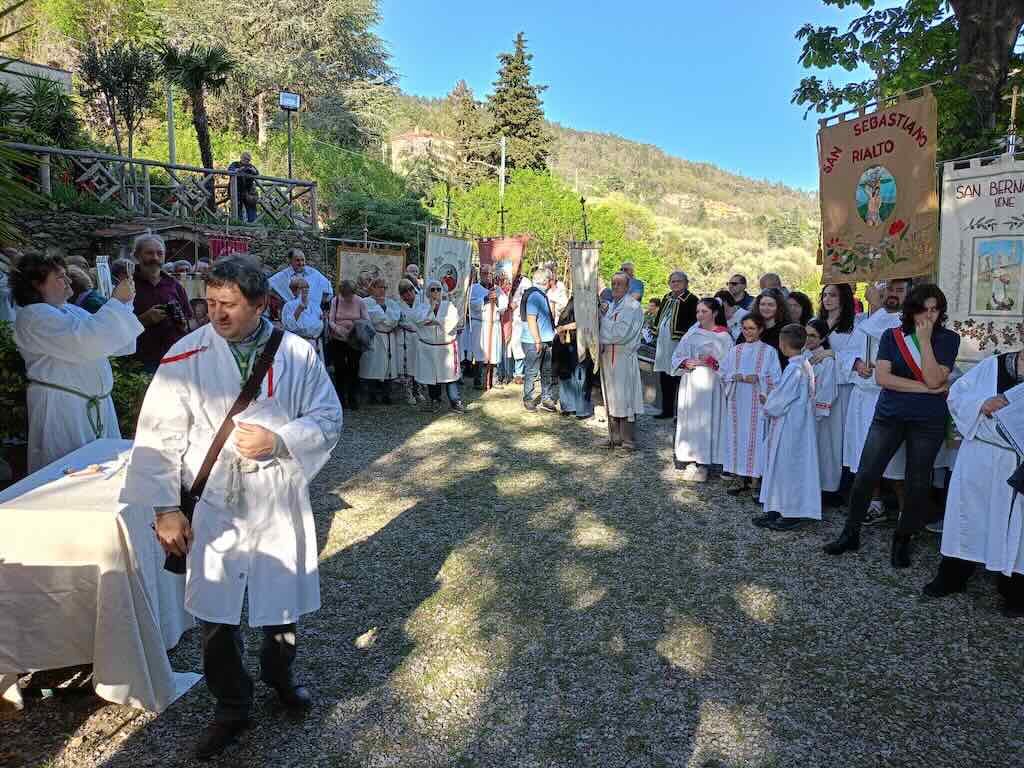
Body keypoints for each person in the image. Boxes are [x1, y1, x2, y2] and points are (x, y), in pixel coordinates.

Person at [121, 257, 341, 759]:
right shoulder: (187, 355)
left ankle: (280, 675)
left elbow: (328, 418)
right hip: (215, 499)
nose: (216, 314)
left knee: (279, 593)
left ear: (261, 304)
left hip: (274, 493)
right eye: (211, 303)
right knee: (215, 607)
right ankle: (230, 704)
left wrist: (281, 439)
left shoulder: (298, 355)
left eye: (229, 305)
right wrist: (164, 508)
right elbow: (157, 435)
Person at [825, 284, 960, 567]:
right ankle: (851, 531)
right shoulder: (891, 336)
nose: (930, 315)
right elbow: (883, 379)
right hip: (889, 414)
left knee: (917, 480)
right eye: (924, 308)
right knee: (866, 473)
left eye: (935, 309)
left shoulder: (948, 339)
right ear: (912, 309)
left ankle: (903, 538)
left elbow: (937, 378)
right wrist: (925, 388)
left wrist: (924, 341)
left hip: (927, 421)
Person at [11, 252, 143, 473]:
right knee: (66, 473)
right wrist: (117, 302)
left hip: (94, 405)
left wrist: (125, 304)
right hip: (62, 409)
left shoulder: (71, 310)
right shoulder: (33, 316)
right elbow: (84, 342)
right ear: (37, 285)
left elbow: (112, 343)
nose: (69, 281)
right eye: (60, 277)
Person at [922, 349, 1024, 616]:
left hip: (1016, 460)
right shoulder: (994, 365)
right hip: (979, 453)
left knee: (1015, 523)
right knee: (967, 514)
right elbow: (957, 395)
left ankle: (1014, 591)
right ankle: (954, 575)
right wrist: (982, 403)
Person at [841, 279, 910, 523]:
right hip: (863, 397)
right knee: (865, 453)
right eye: (888, 290)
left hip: (891, 396)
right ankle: (875, 502)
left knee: (896, 458)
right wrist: (857, 364)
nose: (892, 295)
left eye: (899, 291)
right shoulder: (867, 322)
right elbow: (848, 352)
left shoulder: (909, 323)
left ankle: (906, 512)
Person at [755, 324, 821, 531]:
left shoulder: (794, 369)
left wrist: (767, 401)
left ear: (782, 344)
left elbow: (781, 400)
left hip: (791, 427)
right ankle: (776, 506)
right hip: (793, 424)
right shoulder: (802, 364)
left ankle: (792, 511)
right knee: (780, 466)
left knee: (789, 468)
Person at [719, 313, 782, 498]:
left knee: (756, 438)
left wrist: (759, 378)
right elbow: (722, 372)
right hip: (737, 401)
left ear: (761, 329)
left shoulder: (769, 351)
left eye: (752, 328)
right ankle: (739, 476)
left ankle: (756, 480)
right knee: (737, 437)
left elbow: (776, 378)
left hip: (757, 402)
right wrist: (734, 376)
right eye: (745, 328)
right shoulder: (735, 350)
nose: (748, 332)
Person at [670, 297, 732, 482]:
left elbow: (729, 363)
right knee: (691, 419)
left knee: (707, 420)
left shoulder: (724, 336)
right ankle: (690, 456)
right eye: (698, 312)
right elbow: (677, 354)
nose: (700, 315)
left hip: (711, 384)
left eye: (704, 311)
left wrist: (714, 362)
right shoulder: (692, 333)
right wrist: (684, 361)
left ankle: (704, 463)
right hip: (691, 381)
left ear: (714, 313)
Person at [813, 283, 859, 495]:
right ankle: (818, 483)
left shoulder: (855, 326)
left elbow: (856, 357)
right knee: (820, 438)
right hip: (818, 385)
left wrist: (833, 355)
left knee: (836, 438)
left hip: (841, 389)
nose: (827, 299)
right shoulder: (817, 322)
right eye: (825, 295)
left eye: (833, 295)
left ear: (844, 298)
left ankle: (836, 487)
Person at [131, 233, 193, 374]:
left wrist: (183, 324)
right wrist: (143, 320)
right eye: (149, 253)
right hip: (141, 363)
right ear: (137, 255)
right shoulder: (126, 286)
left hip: (174, 358)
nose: (155, 258)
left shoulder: (175, 285)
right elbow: (116, 329)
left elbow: (190, 320)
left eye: (160, 253)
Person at [598, 272, 645, 449]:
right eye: (613, 283)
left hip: (623, 357)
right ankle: (613, 436)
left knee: (624, 396)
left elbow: (621, 334)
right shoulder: (610, 306)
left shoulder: (632, 307)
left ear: (627, 287)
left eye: (620, 284)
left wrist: (602, 321)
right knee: (610, 395)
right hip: (608, 356)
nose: (616, 287)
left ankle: (627, 439)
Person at [651, 271, 699, 420]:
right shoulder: (666, 297)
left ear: (686, 283)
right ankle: (666, 410)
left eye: (679, 281)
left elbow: (694, 322)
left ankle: (680, 413)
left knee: (679, 378)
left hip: (679, 343)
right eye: (673, 281)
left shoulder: (692, 300)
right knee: (664, 376)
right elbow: (659, 318)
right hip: (663, 344)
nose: (675, 284)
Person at [414, 279, 465, 413]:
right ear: (427, 293)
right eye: (432, 289)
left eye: (438, 289)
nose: (436, 292)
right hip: (429, 347)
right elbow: (419, 320)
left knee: (450, 376)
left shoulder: (449, 306)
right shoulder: (422, 307)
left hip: (445, 347)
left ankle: (455, 401)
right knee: (432, 376)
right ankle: (435, 400)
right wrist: (431, 309)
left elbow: (452, 321)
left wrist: (434, 321)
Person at [804, 318, 841, 495]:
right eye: (805, 334)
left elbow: (828, 390)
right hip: (802, 413)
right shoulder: (802, 356)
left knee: (823, 450)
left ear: (822, 338)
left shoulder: (827, 360)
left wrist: (815, 411)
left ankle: (823, 490)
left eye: (813, 335)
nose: (808, 339)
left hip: (820, 416)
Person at [521, 266, 559, 413]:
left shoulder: (540, 294)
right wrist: (537, 340)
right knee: (532, 371)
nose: (552, 283)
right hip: (535, 341)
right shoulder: (535, 296)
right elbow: (531, 319)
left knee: (546, 371)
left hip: (546, 340)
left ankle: (546, 398)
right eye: (551, 280)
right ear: (546, 281)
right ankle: (528, 399)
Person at [552, 294, 595, 419]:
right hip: (577, 343)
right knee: (579, 376)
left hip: (568, 343)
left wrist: (562, 330)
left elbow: (562, 324)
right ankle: (580, 409)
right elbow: (582, 322)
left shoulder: (571, 305)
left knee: (569, 376)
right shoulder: (585, 303)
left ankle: (569, 407)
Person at [327, 280, 368, 410]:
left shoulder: (360, 301)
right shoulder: (336, 300)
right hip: (338, 339)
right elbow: (331, 320)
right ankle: (340, 398)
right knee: (339, 368)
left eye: (349, 295)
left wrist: (354, 326)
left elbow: (366, 319)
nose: (347, 297)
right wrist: (338, 329)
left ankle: (352, 397)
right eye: (345, 295)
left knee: (354, 368)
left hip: (355, 339)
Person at [359, 278, 401, 404]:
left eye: (384, 287)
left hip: (388, 337)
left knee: (388, 366)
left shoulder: (391, 302)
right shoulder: (365, 302)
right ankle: (371, 395)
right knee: (373, 365)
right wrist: (382, 311)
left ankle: (386, 395)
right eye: (379, 287)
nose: (382, 290)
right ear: (373, 288)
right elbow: (370, 318)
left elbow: (394, 319)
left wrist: (383, 314)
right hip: (375, 337)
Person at [469, 264, 508, 391]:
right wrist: (485, 298)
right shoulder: (474, 288)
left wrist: (496, 300)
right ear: (480, 274)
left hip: (494, 323)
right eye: (485, 273)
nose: (488, 276)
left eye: (490, 273)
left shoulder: (498, 290)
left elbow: (504, 305)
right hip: (480, 325)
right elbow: (470, 304)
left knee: (494, 351)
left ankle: (494, 379)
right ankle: (479, 380)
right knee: (480, 352)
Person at [396, 278, 424, 404]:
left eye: (411, 290)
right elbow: (400, 321)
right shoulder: (397, 305)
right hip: (405, 339)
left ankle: (417, 391)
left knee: (418, 365)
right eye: (405, 292)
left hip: (419, 338)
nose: (409, 294)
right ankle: (408, 393)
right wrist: (411, 326)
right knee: (406, 367)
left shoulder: (421, 301)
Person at [281, 276, 324, 356]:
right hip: (296, 344)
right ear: (293, 291)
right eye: (301, 288)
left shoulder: (315, 306)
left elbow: (319, 324)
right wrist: (299, 309)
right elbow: (289, 325)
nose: (305, 290)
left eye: (307, 287)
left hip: (313, 343)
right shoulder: (288, 306)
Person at [750, 288, 792, 367]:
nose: (766, 308)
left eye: (771, 305)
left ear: (779, 307)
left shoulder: (787, 330)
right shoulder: (750, 327)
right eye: (763, 304)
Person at [227, 151, 260, 223]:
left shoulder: (250, 166)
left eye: (248, 159)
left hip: (247, 192)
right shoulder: (235, 164)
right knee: (237, 210)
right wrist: (238, 170)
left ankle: (252, 225)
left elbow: (257, 174)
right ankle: (238, 224)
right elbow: (230, 170)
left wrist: (254, 171)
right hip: (236, 191)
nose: (247, 161)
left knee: (251, 209)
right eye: (245, 159)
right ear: (241, 158)